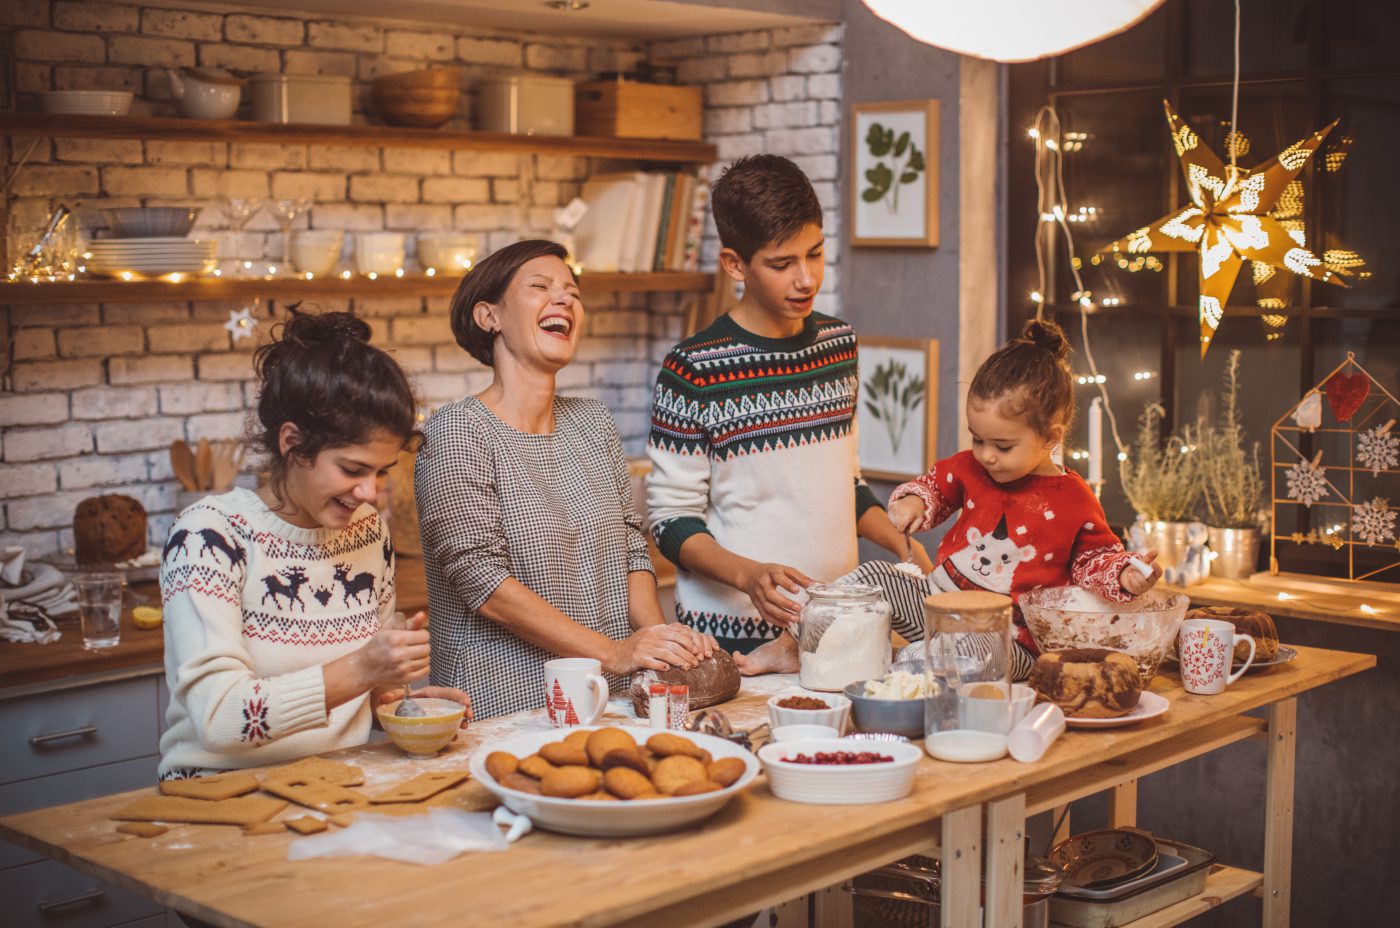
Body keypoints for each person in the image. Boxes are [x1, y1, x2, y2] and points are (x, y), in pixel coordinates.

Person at [157, 311, 470, 780]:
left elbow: (359, 693)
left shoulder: (365, 530)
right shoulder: (208, 536)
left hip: (334, 783)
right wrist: (363, 669)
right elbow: (218, 720)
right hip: (216, 795)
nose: (370, 493)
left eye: (381, 471)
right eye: (352, 469)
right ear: (292, 442)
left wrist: (404, 706)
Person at [646, 155, 928, 675]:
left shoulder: (838, 344)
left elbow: (847, 482)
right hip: (731, 640)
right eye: (782, 264)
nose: (806, 279)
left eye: (815, 254)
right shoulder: (693, 369)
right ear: (735, 264)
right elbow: (670, 522)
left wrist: (901, 543)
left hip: (838, 627)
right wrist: (751, 576)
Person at [416, 239, 717, 721]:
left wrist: (660, 649)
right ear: (489, 316)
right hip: (507, 708)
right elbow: (483, 583)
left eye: (573, 292)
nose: (564, 300)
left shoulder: (593, 423)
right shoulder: (456, 431)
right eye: (540, 287)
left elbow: (630, 549)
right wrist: (614, 652)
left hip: (614, 699)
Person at [865, 317, 1162, 679]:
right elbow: (936, 488)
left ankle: (917, 662)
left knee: (974, 652)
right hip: (937, 606)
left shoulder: (1073, 499)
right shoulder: (972, 468)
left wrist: (1125, 574)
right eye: (977, 439)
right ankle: (808, 636)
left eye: (1003, 446)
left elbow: (1095, 559)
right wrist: (914, 501)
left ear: (1050, 437)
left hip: (1009, 640)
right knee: (873, 577)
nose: (986, 455)